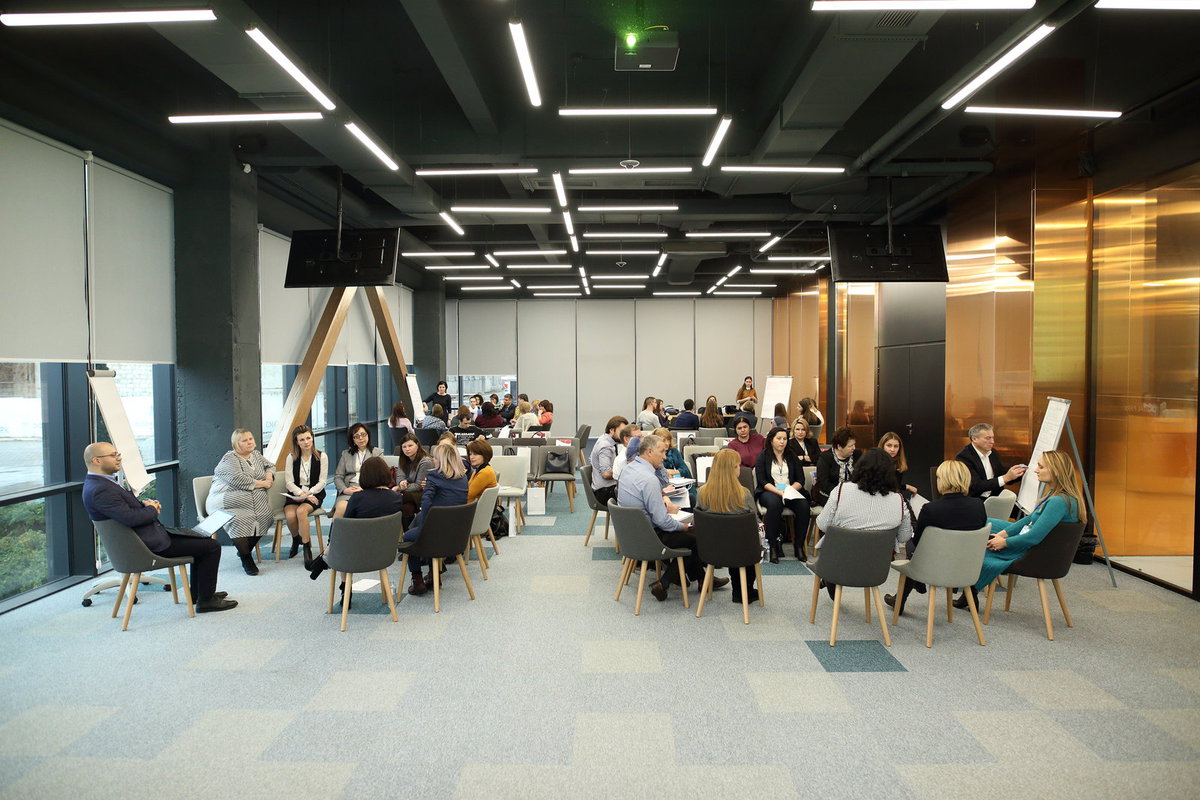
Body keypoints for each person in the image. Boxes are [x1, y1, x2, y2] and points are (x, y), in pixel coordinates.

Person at [82, 442, 236, 612]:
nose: (119, 458)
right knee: (211, 547)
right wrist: (151, 509)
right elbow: (131, 519)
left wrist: (144, 504)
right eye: (113, 455)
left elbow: (123, 511)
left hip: (148, 536)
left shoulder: (101, 484)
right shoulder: (101, 490)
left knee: (201, 538)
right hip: (145, 546)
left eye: (117, 454)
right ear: (96, 460)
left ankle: (199, 594)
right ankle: (206, 601)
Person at [960, 450, 1085, 609]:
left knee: (984, 544)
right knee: (988, 524)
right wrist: (1004, 533)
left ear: (1055, 470)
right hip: (1042, 544)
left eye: (1041, 467)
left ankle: (970, 587)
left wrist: (1004, 542)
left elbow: (1033, 536)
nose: (1036, 470)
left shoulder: (1057, 502)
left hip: (1036, 552)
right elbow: (1030, 519)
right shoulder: (1058, 495)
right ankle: (970, 589)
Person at [617, 434, 728, 602]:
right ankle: (665, 582)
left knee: (690, 537)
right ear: (649, 452)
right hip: (650, 538)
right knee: (697, 537)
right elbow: (662, 522)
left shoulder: (628, 470)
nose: (664, 457)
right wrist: (684, 526)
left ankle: (703, 579)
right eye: (662, 452)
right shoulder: (649, 479)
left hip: (630, 535)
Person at [885, 460, 986, 615]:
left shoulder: (931, 509)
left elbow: (918, 543)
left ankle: (902, 597)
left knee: (912, 544)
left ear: (943, 480)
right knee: (961, 546)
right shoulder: (978, 505)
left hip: (933, 568)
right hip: (967, 567)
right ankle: (970, 595)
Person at [815, 448, 913, 599]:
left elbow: (822, 524)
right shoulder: (898, 500)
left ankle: (830, 579)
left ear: (860, 467)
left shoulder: (842, 490)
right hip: (876, 568)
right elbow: (904, 537)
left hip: (838, 562)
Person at [307, 456, 405, 605]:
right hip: (385, 553)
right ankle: (324, 557)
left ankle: (342, 584)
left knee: (342, 534)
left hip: (354, 555)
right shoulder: (397, 498)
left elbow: (345, 530)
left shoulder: (358, 498)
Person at [402, 442, 469, 596]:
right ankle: (434, 575)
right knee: (420, 526)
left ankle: (417, 581)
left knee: (408, 537)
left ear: (441, 459)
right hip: (457, 534)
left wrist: (424, 528)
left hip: (437, 532)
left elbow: (425, 503)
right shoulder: (463, 478)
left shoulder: (434, 475)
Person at [208, 428, 276, 576]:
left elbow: (270, 466)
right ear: (236, 443)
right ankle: (246, 558)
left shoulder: (256, 455)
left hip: (250, 501)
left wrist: (269, 477)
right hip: (226, 500)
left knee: (266, 515)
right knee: (238, 519)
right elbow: (238, 479)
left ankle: (244, 549)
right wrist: (263, 484)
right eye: (244, 440)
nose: (249, 442)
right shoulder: (229, 459)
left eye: (250, 439)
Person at [696, 448, 760, 604]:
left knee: (733, 539)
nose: (740, 468)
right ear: (732, 469)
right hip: (741, 552)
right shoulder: (744, 495)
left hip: (711, 550)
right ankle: (743, 590)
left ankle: (739, 591)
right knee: (744, 541)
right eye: (738, 465)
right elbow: (754, 524)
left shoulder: (701, 493)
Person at [755, 427, 811, 562]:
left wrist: (789, 490)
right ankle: (773, 546)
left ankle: (799, 546)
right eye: (779, 439)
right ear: (771, 440)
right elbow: (762, 481)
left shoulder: (792, 456)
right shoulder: (763, 456)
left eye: (785, 439)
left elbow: (800, 480)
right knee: (775, 504)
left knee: (804, 505)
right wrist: (779, 492)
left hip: (790, 490)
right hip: (770, 491)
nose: (782, 442)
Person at [282, 424, 328, 569]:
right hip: (295, 493)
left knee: (301, 511)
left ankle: (307, 548)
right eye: (302, 440)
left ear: (312, 438)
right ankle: (296, 539)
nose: (306, 442)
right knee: (290, 516)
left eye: (308, 438)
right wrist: (301, 494)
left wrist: (309, 494)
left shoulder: (322, 456)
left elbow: (322, 481)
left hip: (315, 493)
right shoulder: (291, 457)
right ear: (296, 442)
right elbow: (289, 482)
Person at [956, 423, 1026, 498]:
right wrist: (1007, 477)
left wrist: (1020, 472)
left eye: (992, 438)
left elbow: (1002, 474)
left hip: (995, 498)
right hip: (975, 500)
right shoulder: (963, 457)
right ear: (974, 439)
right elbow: (976, 486)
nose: (992, 442)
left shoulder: (993, 453)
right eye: (988, 438)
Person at [332, 423, 385, 519]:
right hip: (350, 490)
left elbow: (380, 476)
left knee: (366, 508)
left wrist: (364, 488)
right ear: (352, 439)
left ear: (368, 435)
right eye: (357, 436)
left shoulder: (377, 453)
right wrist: (344, 489)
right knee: (342, 508)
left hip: (370, 489)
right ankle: (334, 529)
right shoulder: (346, 454)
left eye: (363, 434)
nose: (361, 438)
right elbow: (338, 477)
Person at [393, 433, 434, 526]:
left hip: (423, 493)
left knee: (399, 497)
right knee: (407, 508)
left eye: (410, 445)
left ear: (417, 445)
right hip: (409, 494)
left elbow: (419, 486)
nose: (407, 449)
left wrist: (400, 488)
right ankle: (409, 534)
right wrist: (401, 483)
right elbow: (399, 477)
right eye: (404, 447)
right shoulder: (403, 459)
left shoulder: (426, 461)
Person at [814, 427, 858, 506]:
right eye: (850, 446)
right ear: (839, 447)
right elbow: (824, 483)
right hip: (830, 494)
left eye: (854, 444)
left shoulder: (857, 455)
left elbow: (863, 477)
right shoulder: (825, 458)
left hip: (853, 494)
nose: (854, 448)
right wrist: (842, 493)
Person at [589, 415, 628, 507]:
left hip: (606, 488)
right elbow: (606, 474)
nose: (624, 436)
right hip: (604, 492)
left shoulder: (604, 439)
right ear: (611, 430)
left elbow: (591, 459)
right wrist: (624, 472)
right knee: (637, 495)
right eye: (621, 432)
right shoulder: (605, 446)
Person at [655, 427, 697, 507]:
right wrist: (666, 472)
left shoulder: (674, 451)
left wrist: (674, 472)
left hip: (677, 483)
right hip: (663, 487)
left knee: (690, 491)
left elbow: (686, 470)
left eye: (668, 440)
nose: (667, 443)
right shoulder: (655, 454)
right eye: (664, 440)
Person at [878, 431, 919, 496]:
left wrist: (906, 487)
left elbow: (895, 487)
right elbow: (884, 487)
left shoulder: (897, 463)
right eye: (889, 445)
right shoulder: (876, 463)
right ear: (882, 446)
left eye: (896, 446)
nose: (892, 449)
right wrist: (906, 487)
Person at [466, 438, 499, 503]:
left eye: (475, 454)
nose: (471, 457)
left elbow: (468, 494)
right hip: (472, 505)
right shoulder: (479, 469)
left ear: (484, 454)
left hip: (473, 507)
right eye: (470, 454)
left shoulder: (485, 472)